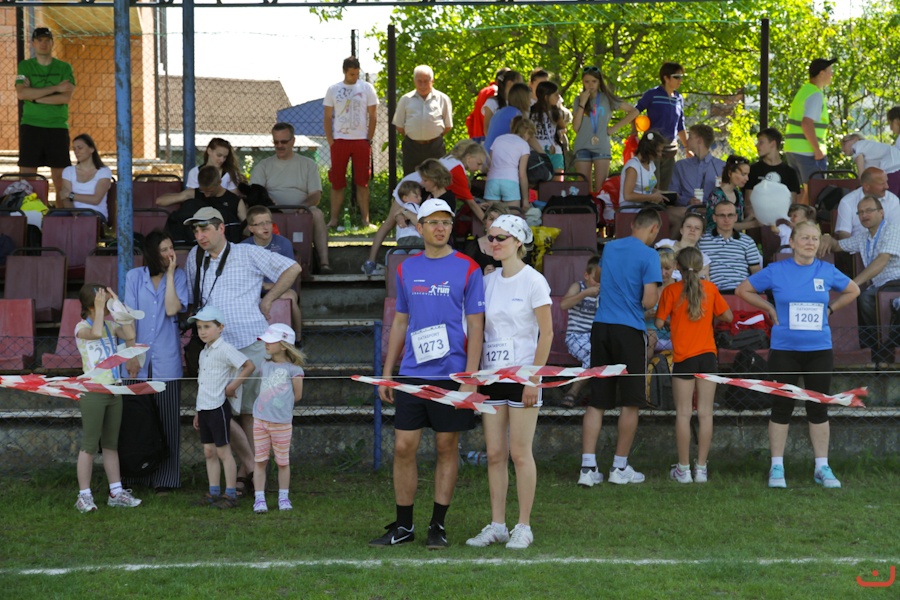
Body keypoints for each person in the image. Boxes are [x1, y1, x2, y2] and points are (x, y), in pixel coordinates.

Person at [371, 198, 485, 550]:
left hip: (453, 375)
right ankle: (404, 526)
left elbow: (476, 325)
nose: (440, 228)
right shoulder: (406, 268)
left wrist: (470, 377)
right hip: (412, 372)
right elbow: (400, 321)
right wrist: (388, 372)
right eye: (433, 222)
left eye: (446, 222)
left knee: (446, 446)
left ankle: (438, 525)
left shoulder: (468, 268)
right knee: (404, 446)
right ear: (418, 227)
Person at [184, 206, 302, 497]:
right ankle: (251, 465)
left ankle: (248, 474)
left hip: (249, 341)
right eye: (196, 230)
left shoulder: (247, 253)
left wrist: (268, 299)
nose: (200, 235)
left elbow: (293, 268)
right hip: (216, 346)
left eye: (205, 229)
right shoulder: (194, 257)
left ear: (221, 228)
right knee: (219, 409)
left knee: (249, 413)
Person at [736, 221, 860, 489]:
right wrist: (769, 308)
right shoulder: (776, 270)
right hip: (784, 350)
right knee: (782, 406)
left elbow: (854, 289)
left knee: (818, 406)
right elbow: (742, 289)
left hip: (819, 350)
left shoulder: (826, 270)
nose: (810, 243)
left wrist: (831, 309)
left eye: (815, 238)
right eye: (804, 238)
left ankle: (822, 466)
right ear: (791, 242)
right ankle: (777, 467)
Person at [466, 215, 552, 550]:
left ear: (518, 242)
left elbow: (547, 333)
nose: (494, 243)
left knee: (520, 453)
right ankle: (498, 524)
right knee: (494, 453)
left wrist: (534, 378)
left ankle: (523, 525)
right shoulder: (487, 281)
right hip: (491, 376)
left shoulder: (534, 281)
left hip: (523, 377)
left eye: (501, 238)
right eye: (490, 237)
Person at [579, 208, 662, 488]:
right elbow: (648, 301)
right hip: (629, 330)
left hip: (601, 327)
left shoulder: (611, 248)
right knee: (630, 402)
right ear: (653, 229)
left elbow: (601, 277)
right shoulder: (650, 255)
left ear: (633, 224)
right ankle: (619, 466)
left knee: (597, 401)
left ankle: (588, 468)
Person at [655, 247, 732, 484]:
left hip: (683, 357)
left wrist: (674, 320)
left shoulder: (671, 291)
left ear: (677, 266)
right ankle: (701, 469)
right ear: (700, 267)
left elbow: (658, 323)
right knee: (706, 414)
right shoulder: (710, 288)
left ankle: (683, 469)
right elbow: (728, 316)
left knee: (683, 414)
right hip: (707, 355)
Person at [123, 230, 189, 493]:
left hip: (166, 358)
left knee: (168, 419)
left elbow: (172, 309)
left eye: (171, 247)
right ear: (152, 253)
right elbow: (127, 317)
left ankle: (167, 478)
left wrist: (170, 275)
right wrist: (131, 354)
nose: (170, 253)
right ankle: (135, 474)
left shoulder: (179, 277)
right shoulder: (134, 277)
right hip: (136, 359)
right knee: (136, 420)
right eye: (164, 249)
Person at [73, 284, 142, 513]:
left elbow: (130, 335)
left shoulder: (111, 326)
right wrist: (100, 307)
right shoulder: (81, 327)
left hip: (114, 389)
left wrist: (118, 307)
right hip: (93, 391)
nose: (105, 306)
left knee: (111, 444)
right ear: (90, 305)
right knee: (90, 445)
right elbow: (94, 334)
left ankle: (116, 492)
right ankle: (84, 495)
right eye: (101, 302)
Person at [189, 305, 256, 509]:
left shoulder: (225, 349)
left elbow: (249, 366)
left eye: (207, 326)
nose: (202, 331)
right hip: (205, 408)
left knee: (223, 452)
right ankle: (213, 492)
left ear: (220, 328)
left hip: (218, 407)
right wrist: (198, 411)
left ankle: (230, 494)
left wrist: (233, 386)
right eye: (199, 327)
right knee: (209, 452)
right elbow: (203, 383)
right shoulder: (204, 352)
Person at [250, 122, 333, 273]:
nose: (279, 146)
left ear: (293, 141)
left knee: (317, 214)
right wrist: (267, 202)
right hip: (272, 212)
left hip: (301, 210)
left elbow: (316, 195)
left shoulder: (308, 164)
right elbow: (255, 193)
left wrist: (303, 206)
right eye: (276, 142)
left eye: (284, 142)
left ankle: (324, 263)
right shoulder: (263, 165)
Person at [820, 195, 900, 348]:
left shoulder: (893, 229)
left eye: (869, 210)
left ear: (881, 212)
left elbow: (882, 260)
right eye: (860, 212)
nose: (864, 215)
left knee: (865, 297)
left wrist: (852, 284)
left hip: (896, 282)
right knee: (860, 297)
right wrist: (826, 237)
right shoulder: (863, 238)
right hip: (881, 286)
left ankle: (883, 344)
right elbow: (837, 246)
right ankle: (878, 344)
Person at [15, 27, 76, 197]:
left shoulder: (64, 67)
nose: (43, 44)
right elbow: (22, 94)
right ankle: (29, 212)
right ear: (33, 43)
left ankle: (61, 212)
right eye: (39, 40)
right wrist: (55, 88)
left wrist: (34, 97)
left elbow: (65, 97)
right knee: (27, 177)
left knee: (60, 178)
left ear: (52, 43)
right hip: (31, 125)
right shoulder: (25, 66)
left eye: (47, 40)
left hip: (57, 126)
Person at [252, 324, 305, 514]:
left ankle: (284, 497)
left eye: (270, 341)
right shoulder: (264, 365)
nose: (266, 344)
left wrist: (280, 405)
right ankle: (259, 499)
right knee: (260, 460)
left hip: (281, 423)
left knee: (282, 462)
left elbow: (297, 395)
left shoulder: (294, 369)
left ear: (283, 345)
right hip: (260, 420)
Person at [323, 56, 379, 229]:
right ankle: (333, 220)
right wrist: (331, 140)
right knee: (337, 182)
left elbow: (373, 115)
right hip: (339, 141)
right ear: (344, 72)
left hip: (361, 141)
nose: (354, 77)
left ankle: (365, 220)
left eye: (356, 74)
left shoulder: (367, 88)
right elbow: (327, 116)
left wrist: (368, 139)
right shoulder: (333, 89)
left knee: (362, 182)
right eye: (351, 74)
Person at [572, 65, 638, 193]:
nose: (590, 85)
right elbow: (575, 127)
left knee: (601, 189)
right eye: (587, 81)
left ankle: (600, 206)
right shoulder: (578, 99)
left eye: (594, 81)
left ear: (599, 82)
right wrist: (582, 103)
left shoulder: (606, 98)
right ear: (582, 82)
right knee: (584, 189)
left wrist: (614, 128)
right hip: (582, 146)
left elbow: (634, 111)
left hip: (601, 146)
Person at [241, 205, 303, 336]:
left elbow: (290, 274)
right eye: (260, 224)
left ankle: (297, 337)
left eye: (268, 222)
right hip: (252, 290)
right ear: (251, 228)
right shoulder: (243, 247)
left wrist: (269, 286)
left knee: (289, 297)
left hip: (281, 288)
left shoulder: (283, 243)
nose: (266, 227)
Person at [635, 62, 690, 192]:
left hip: (671, 150)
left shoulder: (679, 98)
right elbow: (635, 112)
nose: (680, 80)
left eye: (681, 77)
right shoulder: (652, 94)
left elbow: (680, 125)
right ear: (666, 78)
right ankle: (650, 205)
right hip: (652, 147)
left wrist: (687, 148)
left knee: (667, 188)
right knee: (653, 186)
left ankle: (664, 206)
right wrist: (634, 134)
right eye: (677, 77)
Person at [784, 58, 836, 185]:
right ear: (821, 73)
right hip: (808, 152)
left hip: (792, 149)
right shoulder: (815, 95)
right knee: (814, 190)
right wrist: (817, 150)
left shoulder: (803, 91)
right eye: (830, 71)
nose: (832, 74)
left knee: (800, 191)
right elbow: (806, 123)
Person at [393, 65, 453, 175]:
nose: (423, 85)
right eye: (419, 81)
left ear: (432, 81)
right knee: (411, 180)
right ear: (414, 81)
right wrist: (415, 135)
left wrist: (432, 136)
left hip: (435, 147)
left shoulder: (443, 99)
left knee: (437, 179)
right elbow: (399, 126)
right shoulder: (405, 99)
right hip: (412, 147)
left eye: (426, 81)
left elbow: (448, 126)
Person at [164, 166, 247, 244]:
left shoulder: (234, 201)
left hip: (224, 242)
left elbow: (246, 227)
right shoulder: (196, 194)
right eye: (204, 191)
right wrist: (183, 197)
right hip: (196, 241)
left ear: (219, 182)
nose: (206, 195)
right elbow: (160, 201)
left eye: (210, 191)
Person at [560, 255, 601, 408]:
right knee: (594, 355)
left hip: (595, 337)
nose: (599, 283)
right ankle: (572, 392)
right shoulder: (578, 287)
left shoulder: (604, 291)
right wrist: (585, 293)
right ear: (586, 275)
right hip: (575, 336)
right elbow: (563, 305)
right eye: (596, 278)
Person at [362, 180, 424, 276]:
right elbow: (416, 220)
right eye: (416, 196)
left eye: (420, 196)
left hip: (401, 240)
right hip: (413, 239)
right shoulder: (412, 205)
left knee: (395, 255)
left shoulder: (401, 209)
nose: (420, 198)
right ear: (405, 198)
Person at [669, 124, 724, 231]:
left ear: (699, 140)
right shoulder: (680, 166)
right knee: (668, 213)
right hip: (686, 211)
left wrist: (710, 206)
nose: (686, 140)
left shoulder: (721, 167)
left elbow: (728, 195)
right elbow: (673, 194)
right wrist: (688, 201)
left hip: (711, 211)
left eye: (690, 137)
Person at [697, 201, 761, 293]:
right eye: (722, 215)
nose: (726, 220)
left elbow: (755, 270)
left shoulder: (747, 241)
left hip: (742, 292)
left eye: (730, 215)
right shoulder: (702, 240)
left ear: (736, 217)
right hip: (712, 292)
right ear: (714, 218)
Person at [156, 138, 242, 205]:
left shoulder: (229, 173)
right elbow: (192, 196)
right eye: (219, 155)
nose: (222, 160)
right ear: (209, 151)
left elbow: (234, 199)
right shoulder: (195, 172)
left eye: (225, 157)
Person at [486, 116, 538, 209]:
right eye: (530, 135)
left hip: (492, 180)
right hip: (510, 181)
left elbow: (489, 164)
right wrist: (525, 200)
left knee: (491, 214)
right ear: (527, 131)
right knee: (513, 215)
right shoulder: (523, 144)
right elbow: (522, 174)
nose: (529, 138)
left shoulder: (498, 139)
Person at [833, 167, 900, 240]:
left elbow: (896, 231)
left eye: (886, 182)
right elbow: (844, 234)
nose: (887, 186)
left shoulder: (893, 200)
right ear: (866, 186)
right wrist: (851, 245)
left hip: (887, 244)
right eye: (882, 184)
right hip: (856, 245)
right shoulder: (847, 202)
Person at [58, 134, 112, 221]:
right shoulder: (68, 171)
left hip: (96, 213)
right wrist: (74, 213)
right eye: (74, 149)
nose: (76, 152)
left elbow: (96, 199)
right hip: (73, 212)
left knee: (86, 216)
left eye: (80, 148)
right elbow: (65, 198)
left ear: (91, 149)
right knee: (53, 215)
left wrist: (70, 195)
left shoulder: (104, 171)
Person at [745, 128, 802, 206]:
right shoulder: (753, 170)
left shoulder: (790, 172)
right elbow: (748, 202)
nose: (756, 145)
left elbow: (793, 204)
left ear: (773, 144)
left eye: (761, 142)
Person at [705, 155, 757, 231]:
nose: (747, 178)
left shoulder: (739, 194)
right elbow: (722, 226)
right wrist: (753, 224)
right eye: (743, 174)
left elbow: (738, 224)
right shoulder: (717, 195)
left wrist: (752, 216)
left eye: (747, 175)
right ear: (730, 173)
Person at [619, 130, 667, 210]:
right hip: (631, 210)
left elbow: (645, 189)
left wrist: (663, 194)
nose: (660, 155)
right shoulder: (633, 167)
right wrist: (651, 197)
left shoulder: (650, 164)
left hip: (645, 208)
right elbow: (628, 196)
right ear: (648, 149)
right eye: (658, 151)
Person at [841, 133, 900, 198]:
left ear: (855, 139)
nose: (842, 149)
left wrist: (862, 182)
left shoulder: (858, 145)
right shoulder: (869, 151)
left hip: (892, 171)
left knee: (887, 200)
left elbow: (862, 174)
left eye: (844, 144)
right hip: (896, 170)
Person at [655, 212, 711, 280]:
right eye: (688, 226)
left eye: (697, 228)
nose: (692, 230)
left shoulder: (703, 258)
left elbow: (702, 281)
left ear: (702, 234)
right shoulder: (665, 243)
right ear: (681, 230)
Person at [530, 81, 568, 174]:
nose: (558, 97)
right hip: (537, 151)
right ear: (546, 97)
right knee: (540, 178)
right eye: (556, 95)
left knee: (557, 179)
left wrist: (560, 133)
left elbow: (562, 128)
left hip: (555, 151)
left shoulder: (557, 112)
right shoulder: (531, 112)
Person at [483, 83, 532, 153]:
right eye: (529, 99)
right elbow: (527, 137)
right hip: (497, 154)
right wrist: (542, 153)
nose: (530, 102)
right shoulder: (517, 115)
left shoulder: (502, 111)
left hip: (487, 153)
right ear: (523, 99)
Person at [463, 202, 510, 275]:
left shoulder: (512, 246)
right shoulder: (472, 247)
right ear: (485, 221)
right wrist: (482, 275)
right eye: (491, 219)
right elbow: (465, 275)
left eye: (499, 220)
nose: (494, 223)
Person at [465, 67, 509, 142]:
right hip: (488, 138)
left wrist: (473, 137)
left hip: (478, 137)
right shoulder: (495, 92)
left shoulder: (483, 91)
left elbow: (471, 119)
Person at [645, 248, 676, 353]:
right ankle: (647, 364)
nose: (663, 273)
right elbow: (632, 315)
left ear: (674, 267)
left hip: (674, 336)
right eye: (659, 268)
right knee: (651, 335)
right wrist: (646, 315)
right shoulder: (647, 287)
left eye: (667, 268)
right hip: (649, 334)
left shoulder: (680, 287)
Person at [481, 70, 522, 138]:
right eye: (519, 84)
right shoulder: (492, 102)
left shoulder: (518, 103)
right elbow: (487, 128)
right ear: (510, 83)